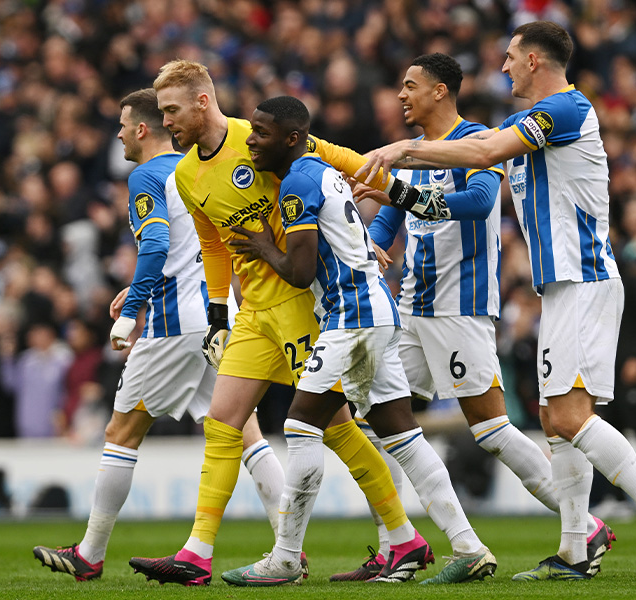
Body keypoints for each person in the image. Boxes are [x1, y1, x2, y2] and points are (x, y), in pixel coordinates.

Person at [358, 21, 636, 582]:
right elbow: (474, 151)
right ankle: (574, 551)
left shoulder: (565, 110)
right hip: (560, 286)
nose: (504, 67)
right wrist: (398, 171)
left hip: (583, 278)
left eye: (511, 57)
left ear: (535, 61)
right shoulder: (523, 122)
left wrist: (399, 150)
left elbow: (484, 153)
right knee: (552, 418)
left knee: (566, 415)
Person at [128, 60, 437, 586]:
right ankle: (196, 553)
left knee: (336, 429)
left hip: (302, 304)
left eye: (173, 110)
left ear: (203, 101)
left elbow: (343, 161)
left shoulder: (261, 139)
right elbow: (213, 244)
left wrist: (397, 209)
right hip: (253, 313)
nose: (167, 122)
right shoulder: (183, 174)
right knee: (222, 422)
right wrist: (218, 313)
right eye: (161, 113)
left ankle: (404, 536)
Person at [340, 52, 614, 581]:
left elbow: (473, 204)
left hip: (460, 307)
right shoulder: (419, 154)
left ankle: (582, 525)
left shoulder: (479, 142)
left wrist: (397, 186)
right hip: (412, 305)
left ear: (439, 91)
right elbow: (392, 211)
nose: (401, 95)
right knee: (375, 417)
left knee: (489, 429)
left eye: (410, 85)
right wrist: (374, 245)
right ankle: (396, 545)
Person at [220, 95, 495, 587]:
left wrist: (264, 245)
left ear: (291, 138)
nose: (251, 141)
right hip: (375, 310)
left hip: (352, 316)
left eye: (260, 133)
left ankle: (285, 557)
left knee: (301, 424)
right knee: (402, 436)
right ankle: (469, 547)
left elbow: (301, 273)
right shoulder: (319, 169)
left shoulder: (298, 182)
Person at [32, 88, 287, 581]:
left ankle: (89, 553)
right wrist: (139, 285)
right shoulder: (194, 167)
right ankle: (288, 549)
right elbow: (190, 247)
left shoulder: (147, 174)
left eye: (124, 125)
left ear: (142, 129)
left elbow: (155, 243)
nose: (120, 134)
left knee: (121, 433)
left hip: (174, 326)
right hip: (218, 312)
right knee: (244, 429)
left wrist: (133, 306)